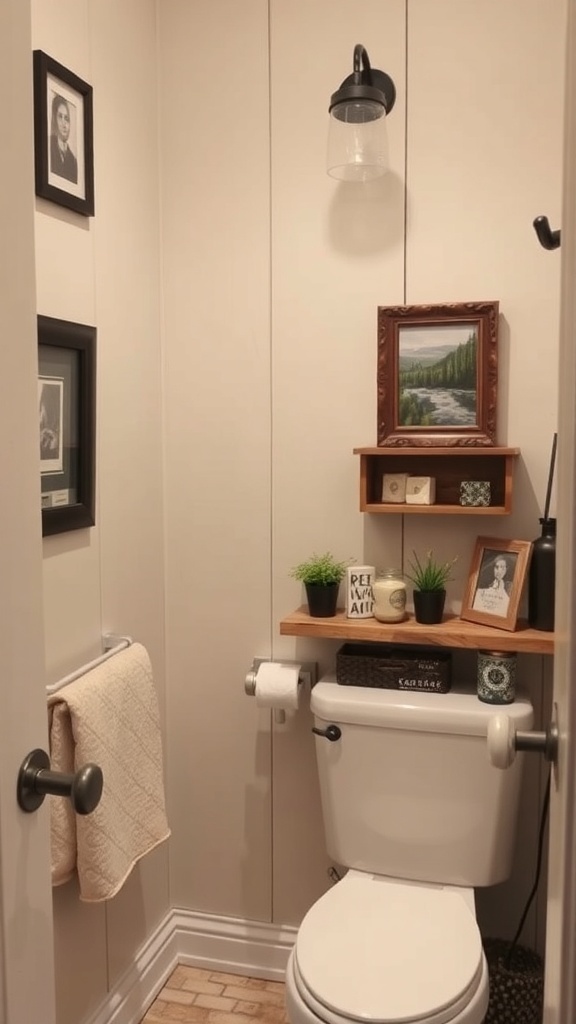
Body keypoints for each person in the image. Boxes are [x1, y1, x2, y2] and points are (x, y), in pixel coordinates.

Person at [49, 93, 78, 184]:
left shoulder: (73, 161)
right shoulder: (48, 147)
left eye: (66, 118)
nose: (64, 124)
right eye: (60, 117)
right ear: (54, 119)